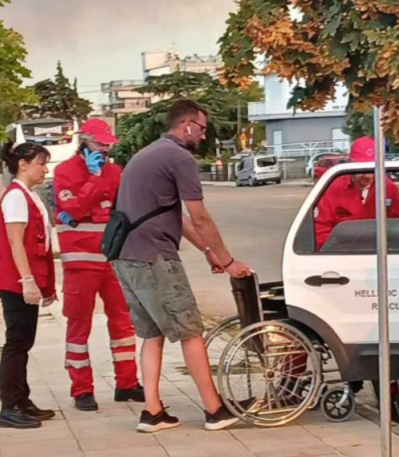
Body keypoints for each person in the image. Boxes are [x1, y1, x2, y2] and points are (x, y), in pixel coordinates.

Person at [113, 99, 252, 433]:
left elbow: (175, 217)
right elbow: (199, 216)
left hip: (126, 257)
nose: (203, 136)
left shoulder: (147, 154)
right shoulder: (179, 157)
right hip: (155, 258)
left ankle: (152, 412)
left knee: (153, 333)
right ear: (187, 124)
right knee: (190, 331)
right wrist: (228, 261)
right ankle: (215, 410)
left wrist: (208, 251)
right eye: (202, 129)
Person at [53, 119, 145, 412]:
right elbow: (73, 208)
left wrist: (87, 207)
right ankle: (82, 390)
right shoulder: (64, 171)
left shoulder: (116, 172)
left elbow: (121, 210)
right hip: (80, 262)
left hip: (113, 259)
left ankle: (127, 383)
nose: (104, 149)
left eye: (108, 145)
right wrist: (93, 181)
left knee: (123, 322)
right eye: (99, 144)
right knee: (79, 325)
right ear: (84, 141)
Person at [0, 142, 59, 429]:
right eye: (41, 163)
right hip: (14, 281)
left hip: (23, 279)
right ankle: (10, 406)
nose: (45, 169)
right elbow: (15, 241)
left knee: (23, 342)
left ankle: (21, 400)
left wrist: (46, 285)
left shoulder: (28, 194)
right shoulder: (16, 197)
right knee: (16, 343)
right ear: (23, 164)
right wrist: (27, 281)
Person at [313, 137, 399, 250]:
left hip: (380, 254)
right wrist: (337, 254)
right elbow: (320, 230)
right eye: (363, 170)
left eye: (373, 170)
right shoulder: (333, 189)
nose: (368, 176)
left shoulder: (389, 189)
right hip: (343, 255)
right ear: (351, 164)